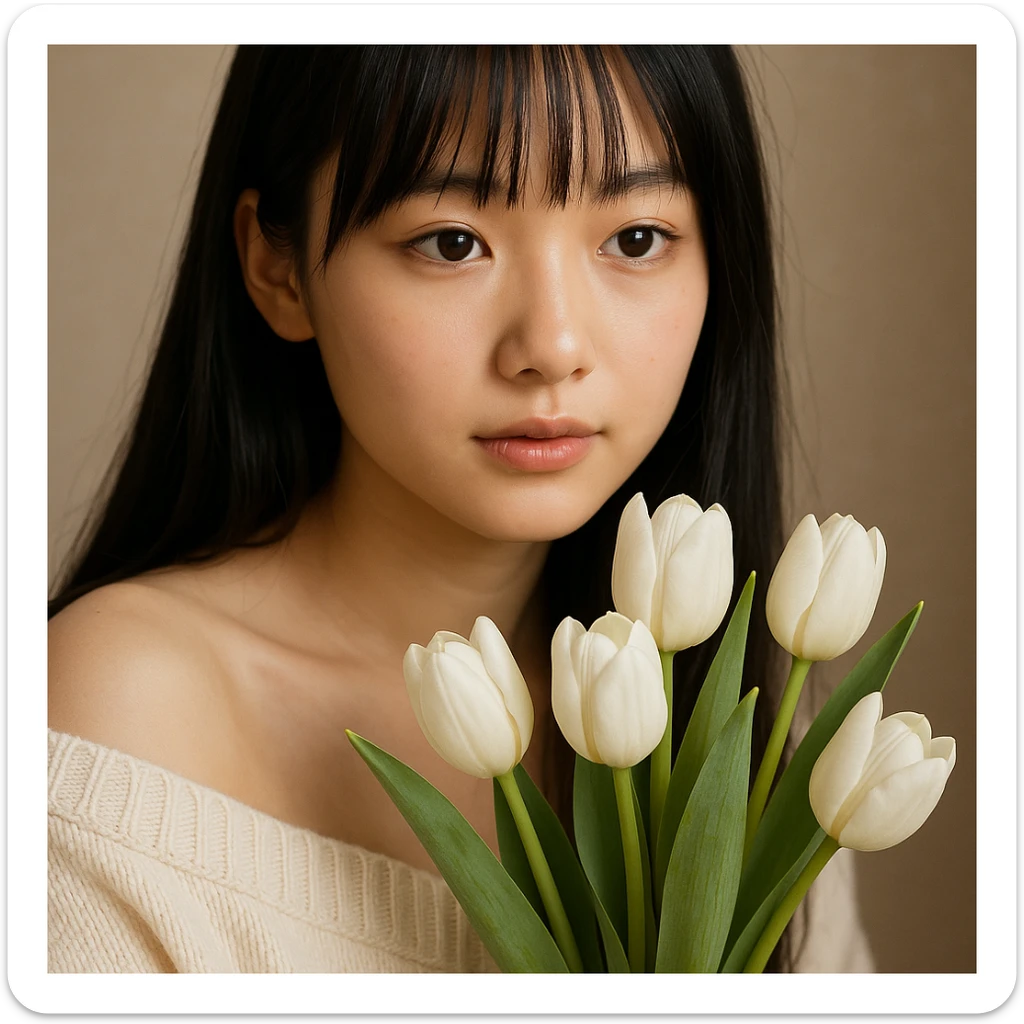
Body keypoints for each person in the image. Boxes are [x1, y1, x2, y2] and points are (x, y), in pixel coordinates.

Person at [47, 44, 873, 974]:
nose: (551, 347)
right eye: (451, 242)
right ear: (278, 269)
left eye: (635, 239)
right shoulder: (115, 715)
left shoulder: (741, 748)